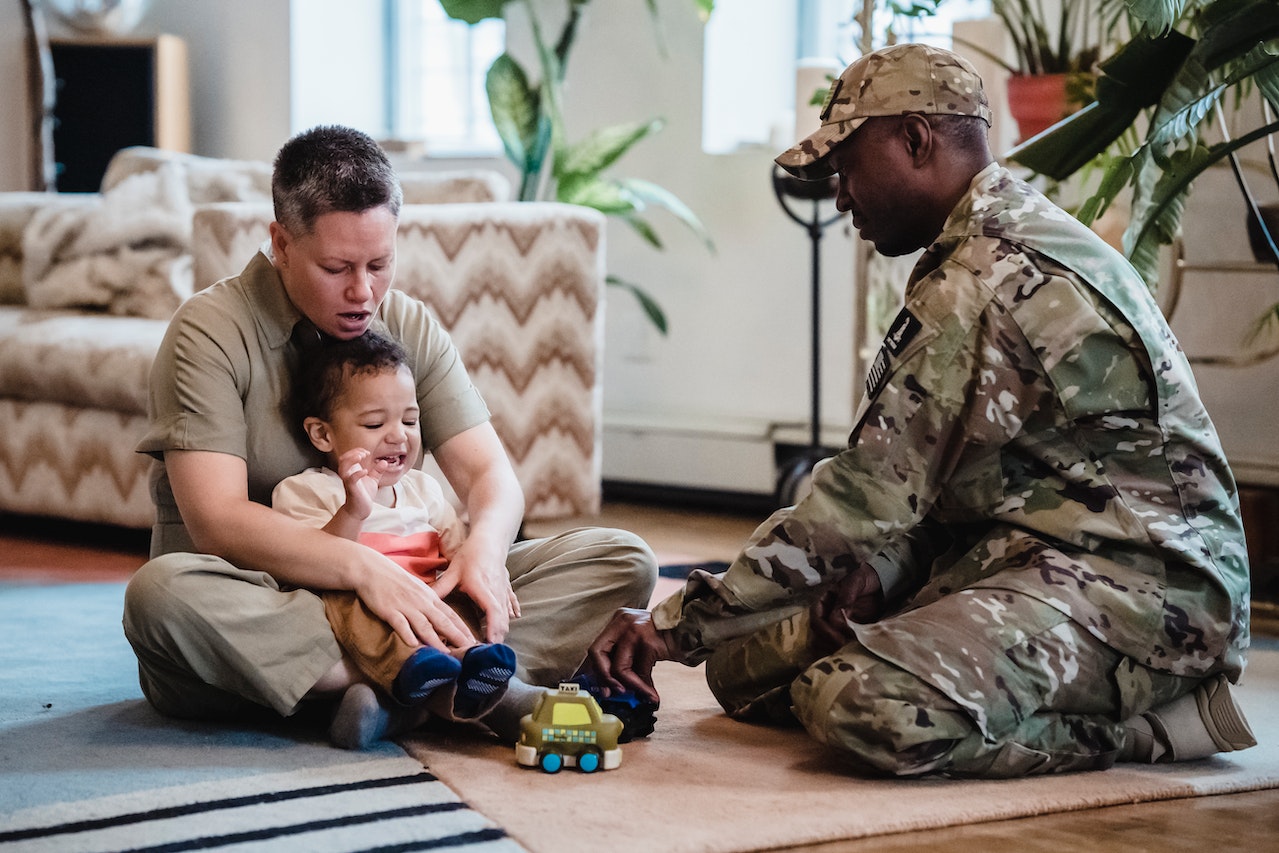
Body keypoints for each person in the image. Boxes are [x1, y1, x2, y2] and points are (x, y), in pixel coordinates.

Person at [586, 43, 1255, 778]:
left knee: (857, 704)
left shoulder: (986, 277)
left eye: (846, 167)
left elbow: (860, 499)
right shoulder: (979, 245)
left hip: (1146, 591)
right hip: (1027, 548)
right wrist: (881, 571)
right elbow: (973, 480)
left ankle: (1158, 727)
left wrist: (671, 626)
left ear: (913, 138)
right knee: (744, 668)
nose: (839, 196)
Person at [122, 125, 656, 749]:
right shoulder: (209, 332)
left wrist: (482, 551)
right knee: (157, 597)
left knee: (623, 560)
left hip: (417, 590)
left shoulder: (404, 322)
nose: (363, 291)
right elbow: (217, 521)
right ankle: (462, 682)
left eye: (379, 264)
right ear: (281, 243)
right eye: (336, 268)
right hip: (273, 604)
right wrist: (361, 570)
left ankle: (390, 695)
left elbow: (490, 477)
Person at [272, 328, 518, 744]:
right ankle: (442, 680)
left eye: (409, 419)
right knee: (346, 604)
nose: (398, 434)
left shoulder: (425, 490)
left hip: (429, 596)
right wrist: (354, 510)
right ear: (322, 434)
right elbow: (314, 566)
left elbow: (455, 552)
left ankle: (400, 700)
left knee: (463, 597)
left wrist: (488, 571)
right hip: (360, 603)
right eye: (374, 422)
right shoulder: (305, 490)